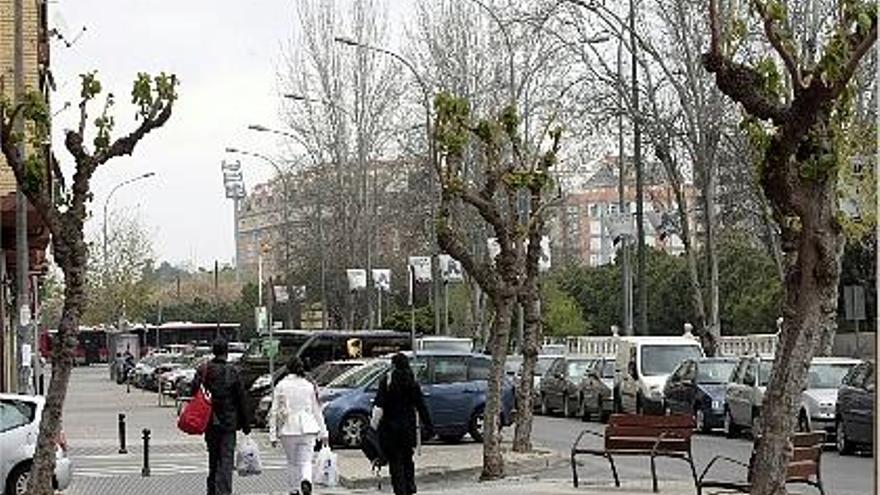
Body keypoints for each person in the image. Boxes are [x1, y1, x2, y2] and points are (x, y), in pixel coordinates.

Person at [192, 338, 252, 495]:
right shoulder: (233, 372)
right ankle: (224, 491)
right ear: (226, 352)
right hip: (228, 422)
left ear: (213, 351)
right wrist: (246, 424)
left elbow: (193, 391)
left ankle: (212, 489)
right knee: (226, 459)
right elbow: (241, 399)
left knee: (213, 457)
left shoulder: (203, 370)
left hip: (209, 421)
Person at [371, 353, 432, 495]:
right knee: (407, 458)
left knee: (395, 461)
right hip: (408, 429)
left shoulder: (386, 382)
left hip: (390, 429)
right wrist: (429, 426)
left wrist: (373, 427)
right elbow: (421, 406)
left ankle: (400, 490)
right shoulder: (412, 382)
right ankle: (410, 486)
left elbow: (379, 406)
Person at [268, 356, 328, 495]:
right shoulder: (308, 385)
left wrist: (273, 434)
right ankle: (306, 480)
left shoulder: (281, 385)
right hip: (308, 427)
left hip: (288, 428)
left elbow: (274, 411)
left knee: (292, 462)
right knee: (306, 461)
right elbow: (316, 410)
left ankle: (293, 490)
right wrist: (324, 433)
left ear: (288, 369)